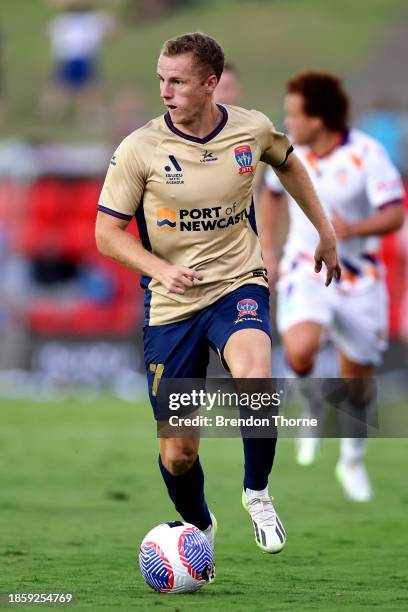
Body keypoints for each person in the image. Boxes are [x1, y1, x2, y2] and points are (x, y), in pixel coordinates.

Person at [95, 33, 340, 559]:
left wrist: (326, 232)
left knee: (255, 374)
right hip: (171, 304)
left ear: (210, 84)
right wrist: (159, 266)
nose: (165, 90)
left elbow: (290, 162)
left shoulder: (250, 128)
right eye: (161, 79)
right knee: (179, 453)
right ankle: (199, 526)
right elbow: (106, 234)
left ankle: (257, 491)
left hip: (238, 282)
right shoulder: (139, 148)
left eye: (177, 81)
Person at [259, 71, 405, 501]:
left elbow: (395, 214)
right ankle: (310, 411)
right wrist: (269, 249)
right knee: (300, 349)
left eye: (294, 113)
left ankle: (352, 460)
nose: (287, 120)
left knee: (357, 378)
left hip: (359, 279)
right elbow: (270, 194)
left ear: (319, 119)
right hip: (306, 268)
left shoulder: (366, 154)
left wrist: (353, 227)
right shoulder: (288, 151)